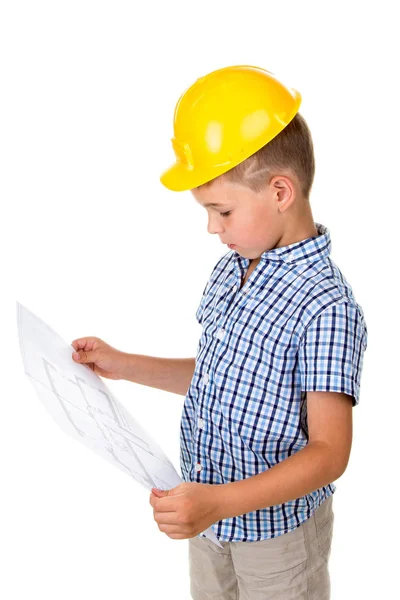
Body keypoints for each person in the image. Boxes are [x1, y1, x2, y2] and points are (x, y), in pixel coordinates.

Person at [72, 65, 368, 599]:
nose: (212, 227)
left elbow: (330, 452)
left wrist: (221, 501)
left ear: (280, 191)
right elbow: (220, 378)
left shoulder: (325, 306)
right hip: (209, 522)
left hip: (276, 542)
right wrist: (125, 365)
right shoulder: (236, 265)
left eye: (222, 210)